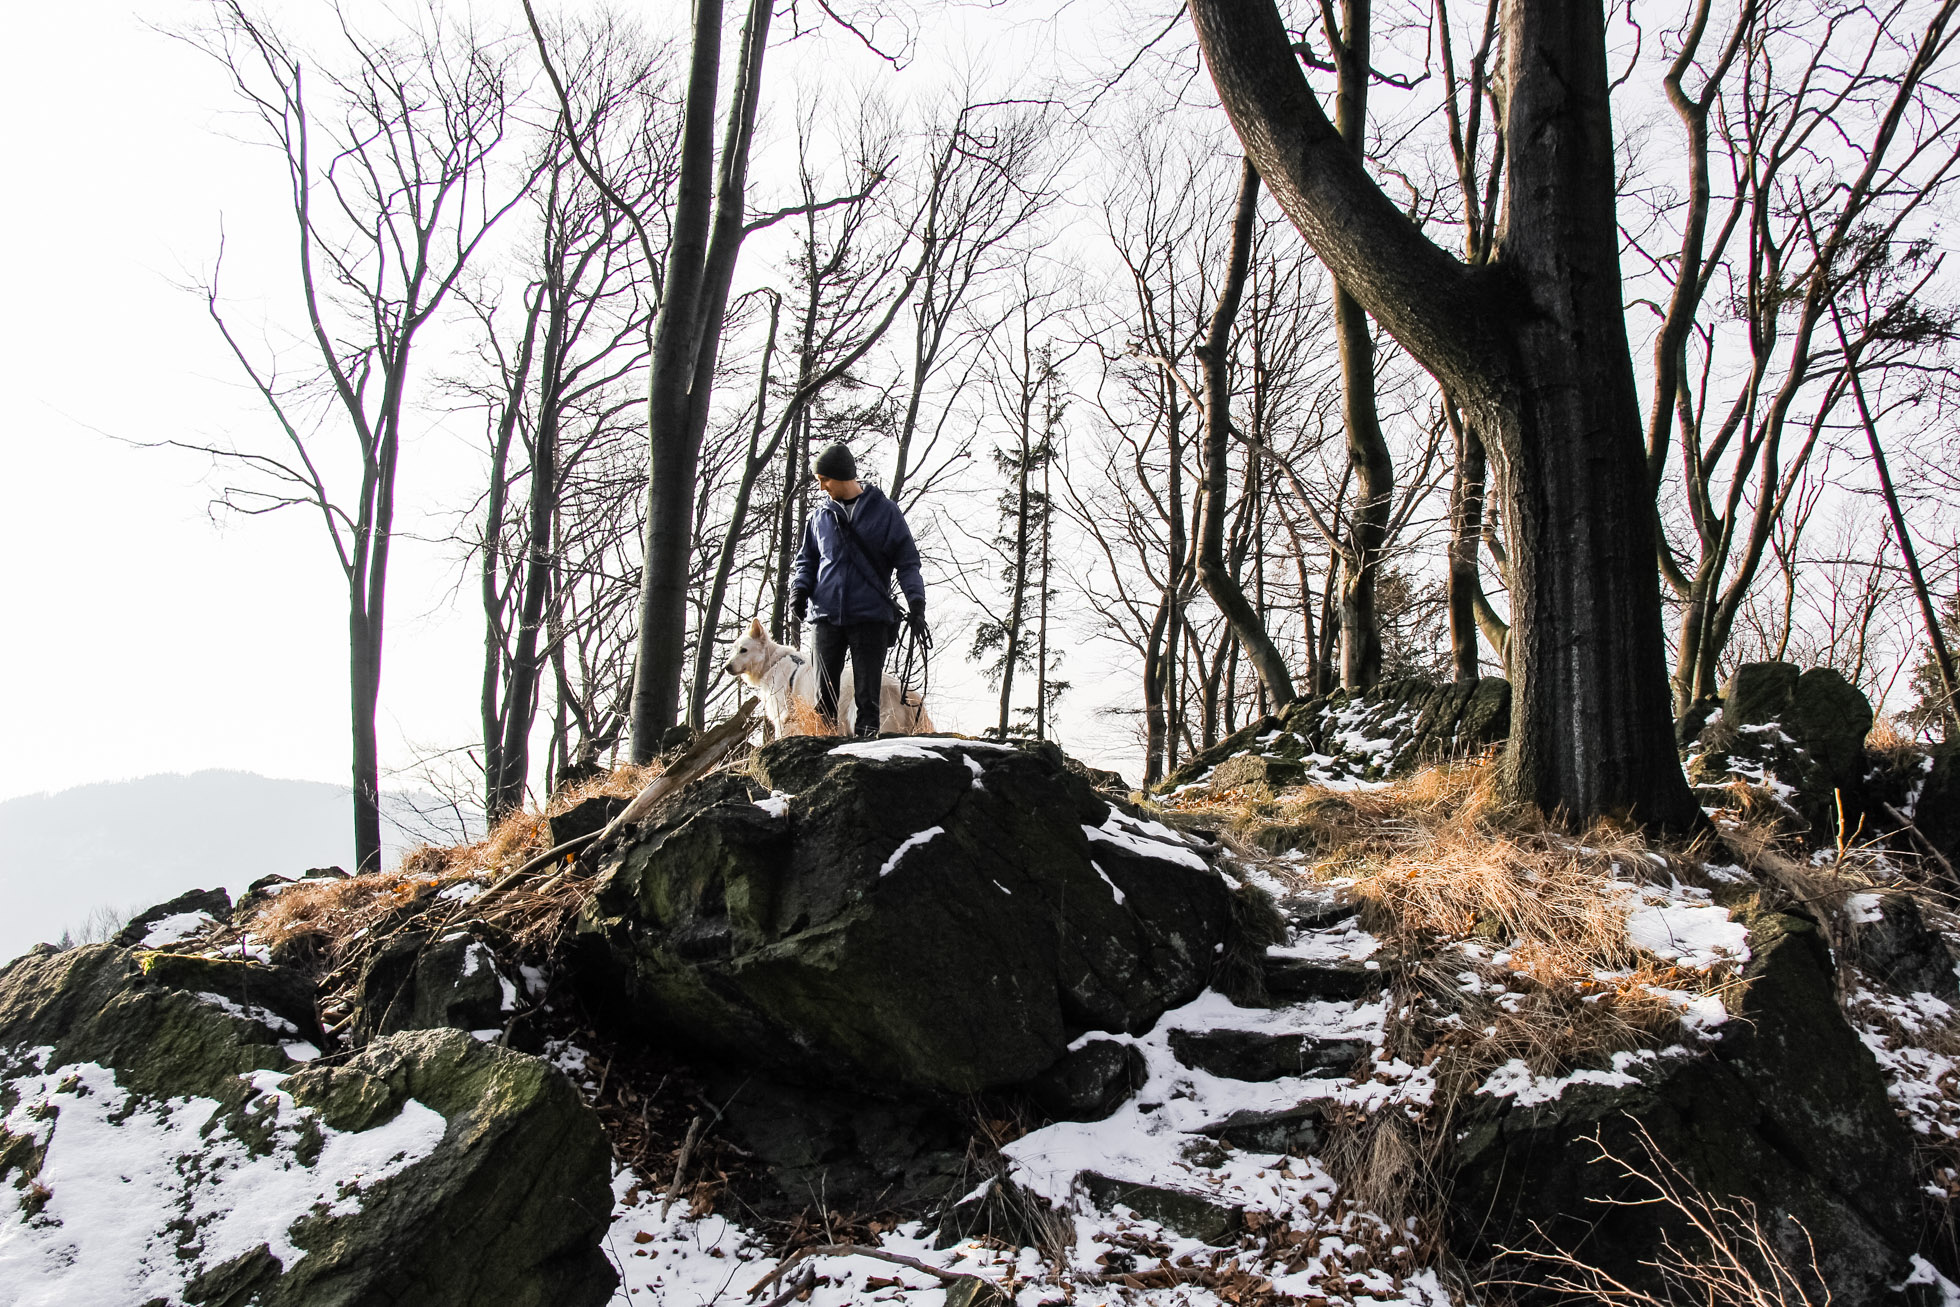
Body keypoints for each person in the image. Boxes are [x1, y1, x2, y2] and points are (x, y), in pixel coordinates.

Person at [788, 443, 929, 737]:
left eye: (824, 479)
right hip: (825, 616)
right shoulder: (819, 518)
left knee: (868, 699)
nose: (822, 487)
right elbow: (806, 561)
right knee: (823, 698)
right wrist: (799, 591)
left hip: (870, 617)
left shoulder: (885, 512)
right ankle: (820, 759)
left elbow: (907, 562)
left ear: (840, 476)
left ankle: (864, 758)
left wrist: (916, 603)